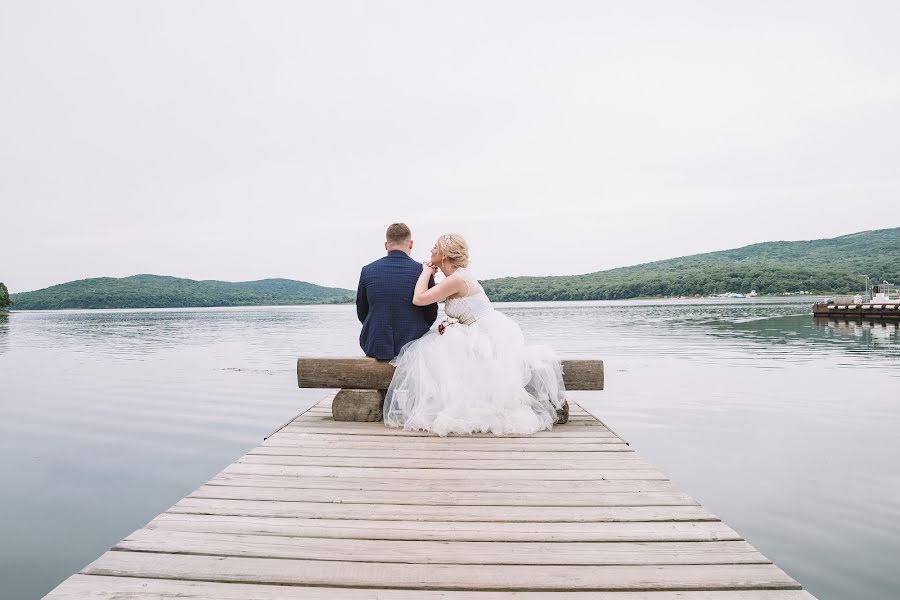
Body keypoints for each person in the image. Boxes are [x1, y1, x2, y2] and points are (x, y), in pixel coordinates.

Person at [384, 233, 566, 436]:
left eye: (435, 247)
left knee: (427, 351)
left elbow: (419, 299)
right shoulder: (456, 277)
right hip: (475, 331)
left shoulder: (457, 279)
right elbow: (465, 311)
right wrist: (450, 321)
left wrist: (426, 271)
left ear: (443, 255)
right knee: (434, 348)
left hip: (486, 337)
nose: (431, 250)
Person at [357, 223, 439, 360]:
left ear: (386, 245)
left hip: (376, 346)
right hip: (413, 346)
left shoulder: (367, 270)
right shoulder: (423, 272)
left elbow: (362, 312)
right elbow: (431, 314)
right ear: (411, 244)